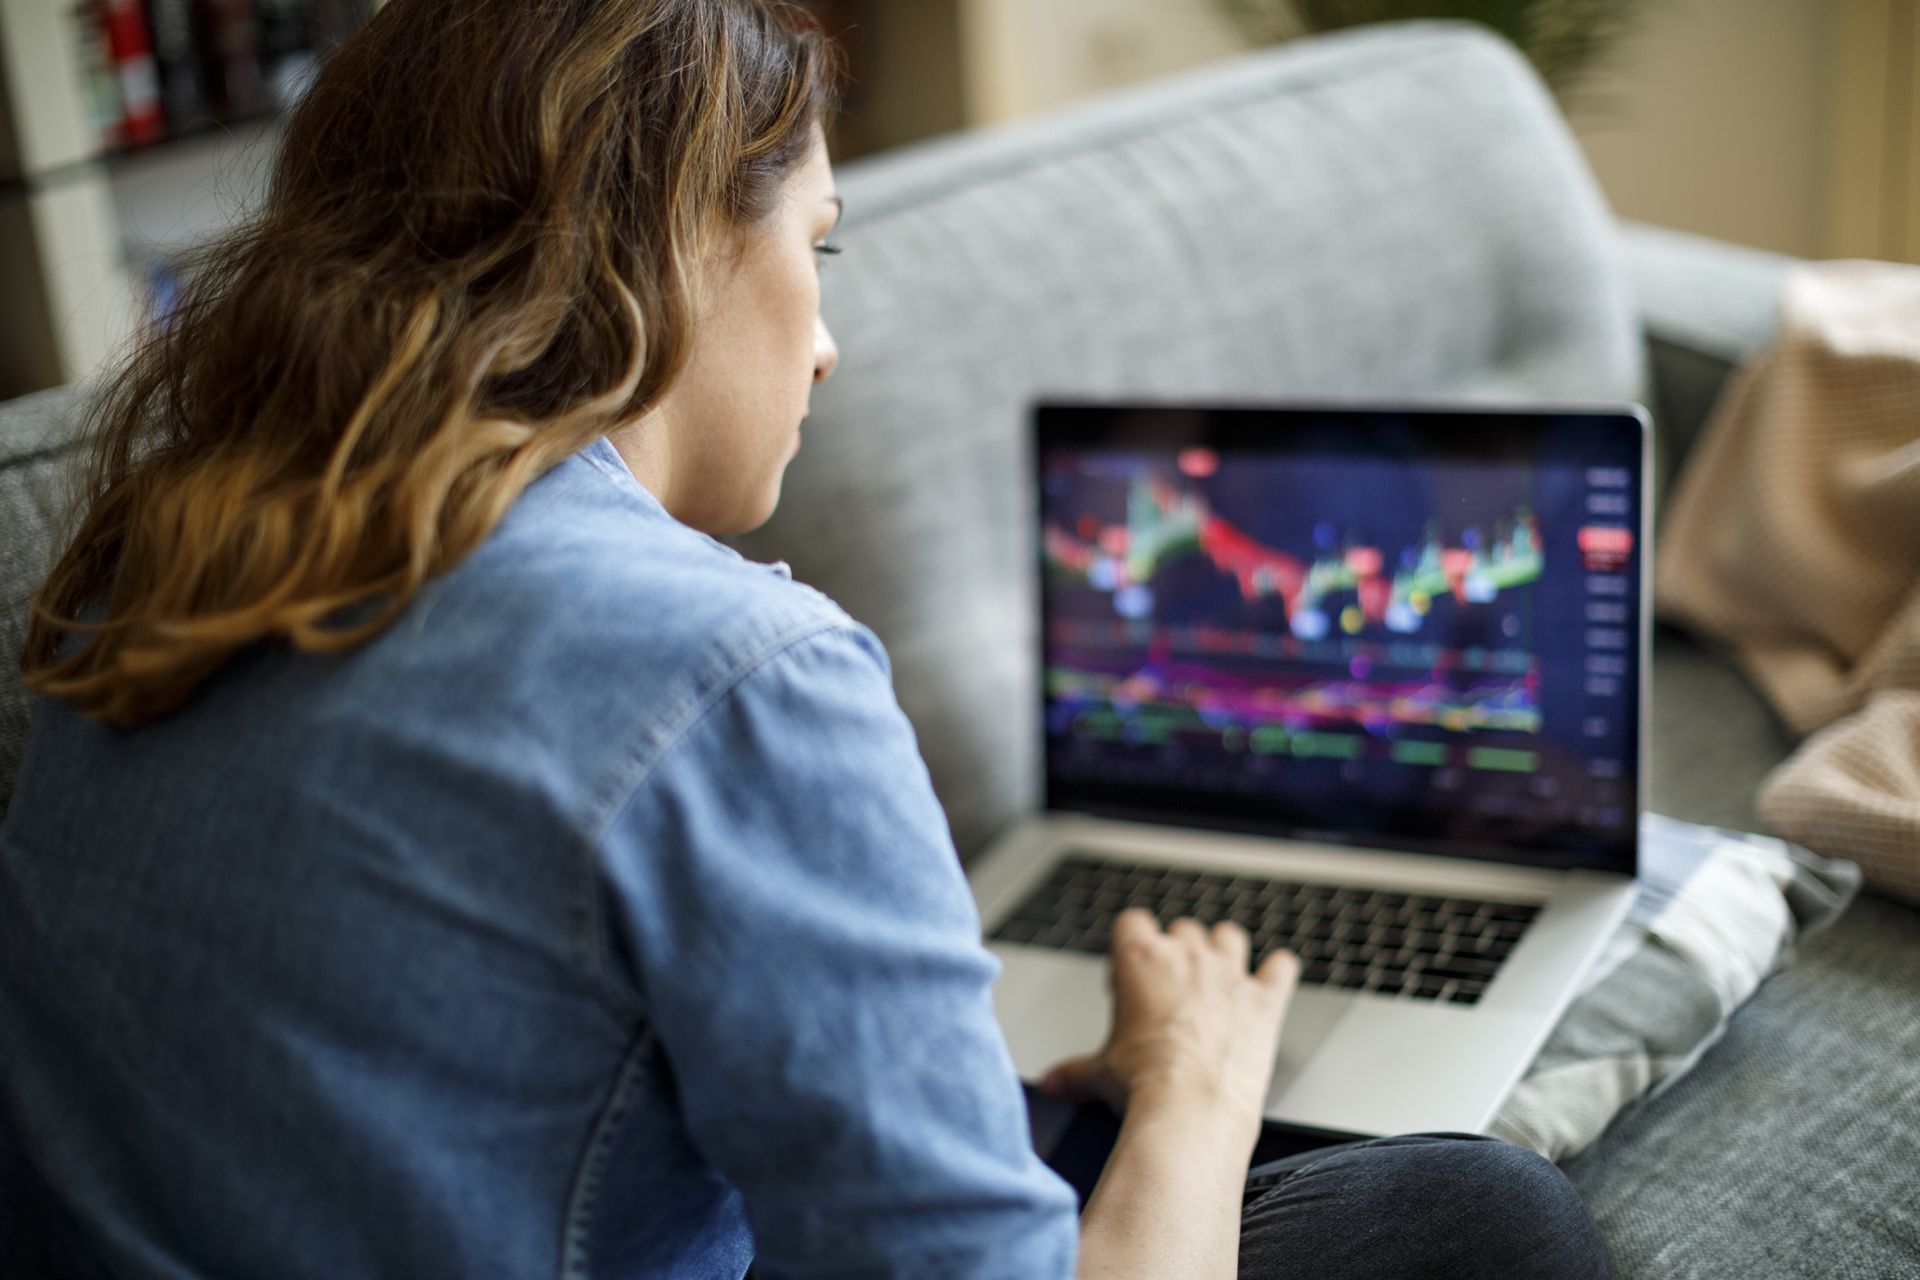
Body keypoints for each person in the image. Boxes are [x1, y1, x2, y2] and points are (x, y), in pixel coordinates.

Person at [0, 1, 1616, 1276]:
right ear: (671, 242)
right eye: (816, 245)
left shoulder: (146, 570)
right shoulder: (730, 676)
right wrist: (1197, 1074)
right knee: (1483, 1218)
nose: (829, 344)